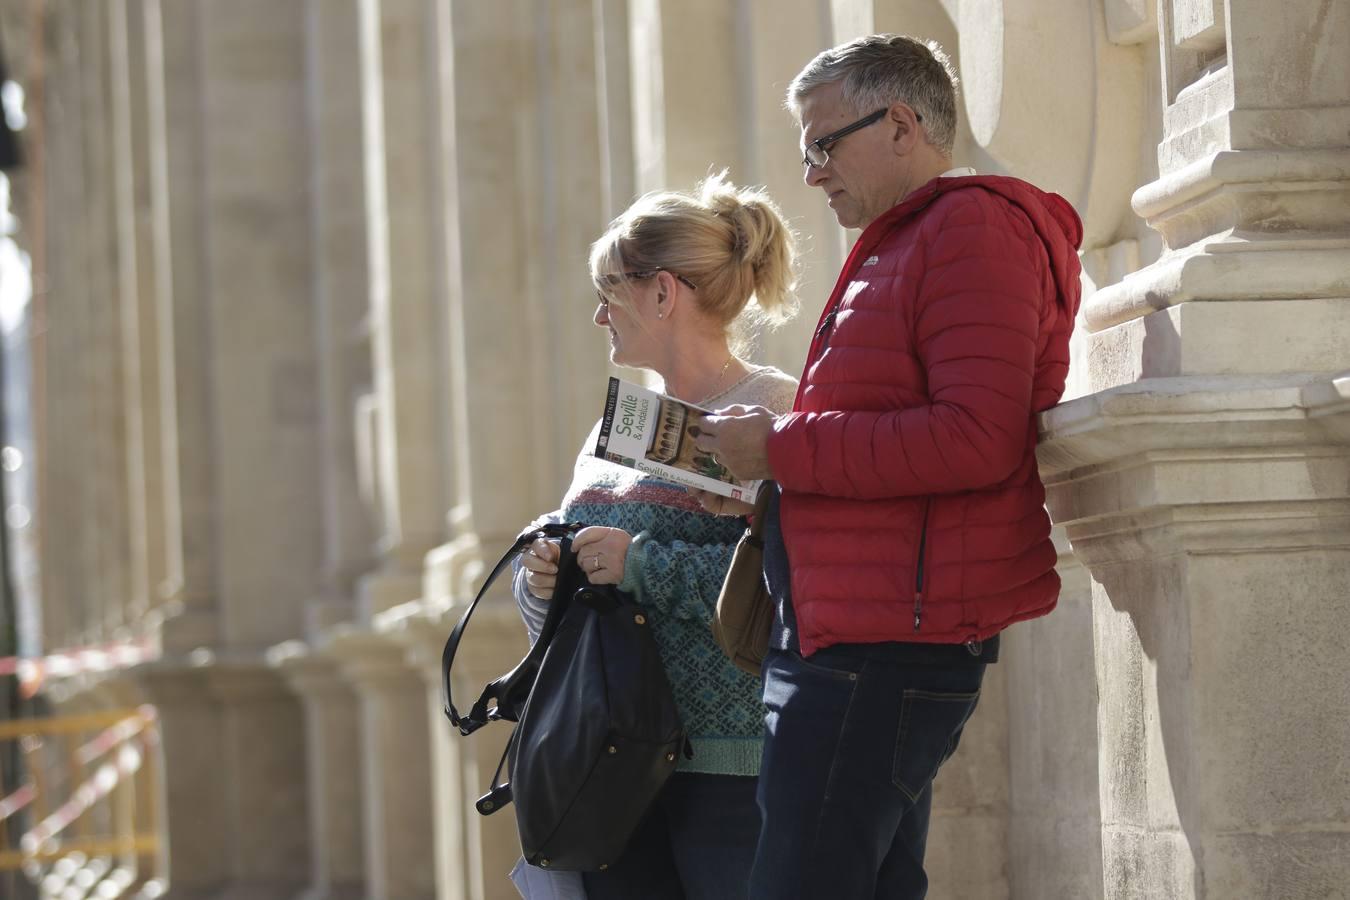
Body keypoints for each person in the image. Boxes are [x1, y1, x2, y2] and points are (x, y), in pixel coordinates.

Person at [696, 34, 1084, 899]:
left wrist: (784, 447)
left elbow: (976, 437)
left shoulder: (971, 228)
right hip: (850, 634)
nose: (810, 173)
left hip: (883, 646)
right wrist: (775, 490)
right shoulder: (908, 237)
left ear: (901, 123)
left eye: (822, 144)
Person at [511, 172, 800, 900]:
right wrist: (543, 575)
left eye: (609, 294)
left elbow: (795, 586)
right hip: (610, 769)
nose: (600, 318)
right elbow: (570, 593)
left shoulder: (777, 412)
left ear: (663, 293)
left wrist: (641, 564)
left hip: (733, 770)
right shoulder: (613, 431)